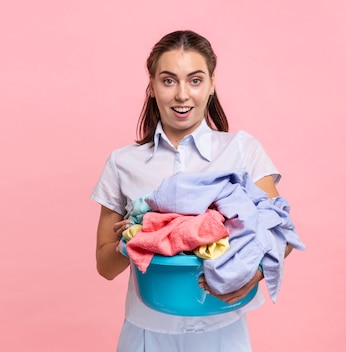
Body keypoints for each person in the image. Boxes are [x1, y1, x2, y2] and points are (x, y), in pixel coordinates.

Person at [91, 30, 299, 351]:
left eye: (195, 80)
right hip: (147, 332)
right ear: (152, 87)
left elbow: (279, 233)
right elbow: (104, 267)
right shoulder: (123, 162)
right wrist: (135, 238)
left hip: (222, 330)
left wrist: (253, 275)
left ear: (212, 84)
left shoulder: (241, 150)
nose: (182, 95)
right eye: (169, 80)